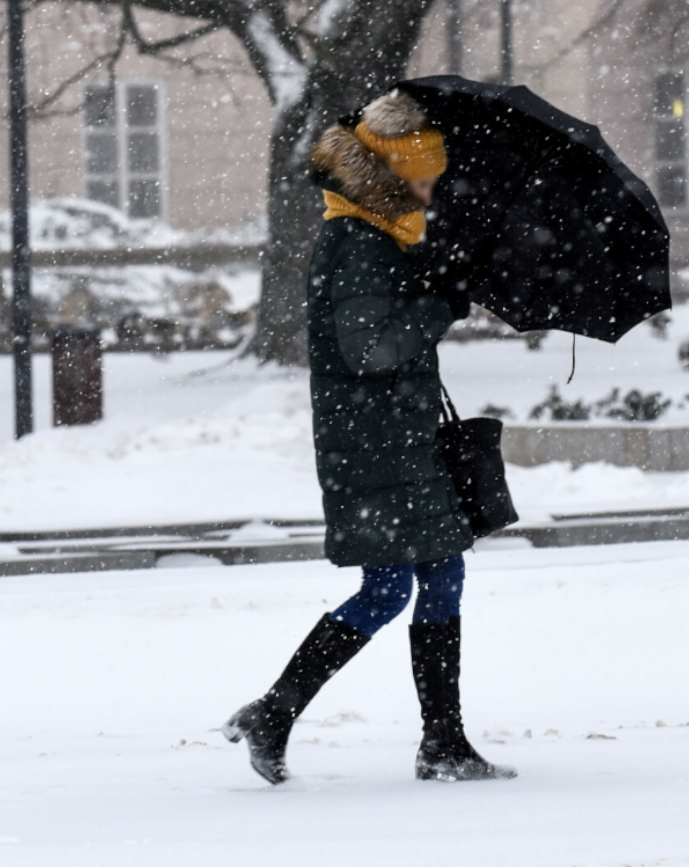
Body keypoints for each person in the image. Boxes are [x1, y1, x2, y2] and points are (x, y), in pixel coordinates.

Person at [224, 90, 515, 785]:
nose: (430, 187)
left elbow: (387, 325)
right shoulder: (355, 242)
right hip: (376, 444)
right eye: (420, 176)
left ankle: (411, 735)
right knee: (412, 580)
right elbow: (369, 349)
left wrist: (438, 284)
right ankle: (416, 739)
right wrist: (441, 305)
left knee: (415, 578)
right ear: (387, 177)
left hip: (391, 438)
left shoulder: (376, 235)